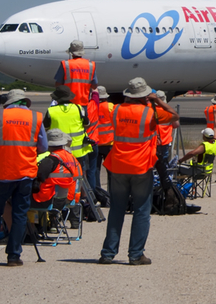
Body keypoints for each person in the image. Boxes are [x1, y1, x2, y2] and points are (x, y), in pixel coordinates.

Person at [99, 77, 178, 266]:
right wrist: (158, 101)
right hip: (141, 166)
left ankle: (108, 253)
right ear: (145, 96)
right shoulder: (151, 113)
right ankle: (135, 254)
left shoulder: (116, 110)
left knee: (117, 209)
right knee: (141, 210)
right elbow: (174, 116)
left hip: (118, 165)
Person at [0, 89, 48, 266]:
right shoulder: (35, 118)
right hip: (25, 173)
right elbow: (43, 146)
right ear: (25, 102)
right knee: (20, 214)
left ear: (8, 102)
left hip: (3, 173)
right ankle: (13, 256)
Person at [44, 86, 95, 193]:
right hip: (78, 151)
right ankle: (81, 198)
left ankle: (62, 197)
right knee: (80, 176)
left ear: (57, 99)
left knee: (60, 176)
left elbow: (46, 128)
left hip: (59, 151)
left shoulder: (51, 111)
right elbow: (87, 124)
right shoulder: (78, 108)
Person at [32, 128, 81, 210]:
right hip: (66, 199)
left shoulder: (50, 160)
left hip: (47, 199)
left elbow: (38, 176)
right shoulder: (72, 158)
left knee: (15, 200)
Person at [55, 40, 97, 107]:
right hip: (83, 103)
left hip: (67, 103)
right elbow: (94, 86)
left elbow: (58, 84)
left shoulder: (66, 65)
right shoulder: (90, 65)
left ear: (71, 53)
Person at [94, 86, 115, 190]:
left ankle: (98, 193)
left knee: (95, 171)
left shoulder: (92, 106)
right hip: (109, 142)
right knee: (111, 171)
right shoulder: (110, 106)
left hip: (96, 143)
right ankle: (111, 193)